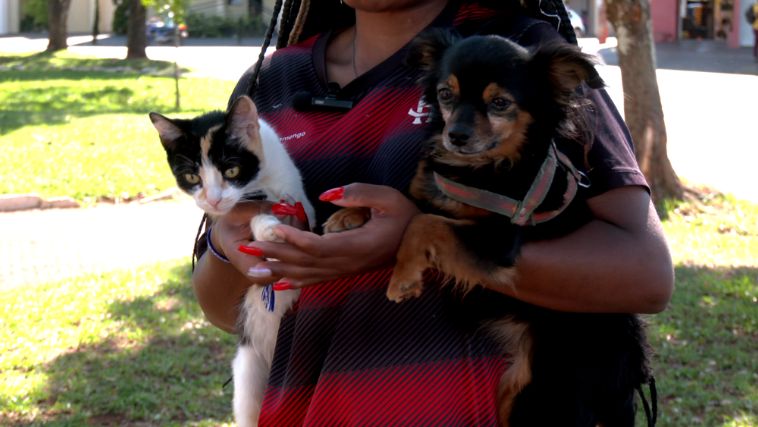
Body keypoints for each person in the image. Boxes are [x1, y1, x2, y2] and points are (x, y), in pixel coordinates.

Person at [192, 0, 675, 424]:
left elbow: (645, 274)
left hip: (498, 407)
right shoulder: (271, 81)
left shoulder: (522, 55)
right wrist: (229, 246)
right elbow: (221, 309)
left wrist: (426, 242)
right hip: (309, 411)